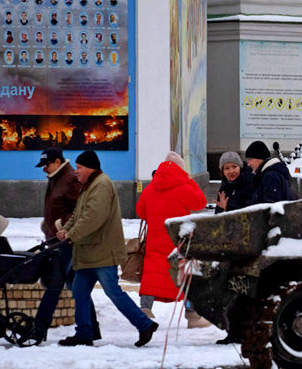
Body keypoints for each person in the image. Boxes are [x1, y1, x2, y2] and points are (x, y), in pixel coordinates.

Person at [56, 150, 157, 347]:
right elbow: (79, 214)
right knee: (80, 291)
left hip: (102, 251)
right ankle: (84, 333)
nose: (76, 172)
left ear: (90, 167)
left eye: (79, 168)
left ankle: (144, 324)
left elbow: (93, 217)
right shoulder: (89, 186)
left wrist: (72, 234)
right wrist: (66, 230)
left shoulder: (101, 185)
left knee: (113, 292)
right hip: (88, 251)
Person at [135, 152, 210, 327]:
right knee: (184, 275)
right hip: (178, 242)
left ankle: (145, 309)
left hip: (155, 242)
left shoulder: (150, 188)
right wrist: (190, 180)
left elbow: (141, 212)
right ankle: (192, 315)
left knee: (152, 276)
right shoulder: (185, 186)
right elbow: (200, 202)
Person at [31, 147, 97, 342]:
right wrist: (48, 226)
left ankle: (39, 328)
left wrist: (61, 225)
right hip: (58, 239)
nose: (44, 169)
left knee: (55, 283)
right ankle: (93, 328)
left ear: (58, 162)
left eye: (47, 164)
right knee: (77, 285)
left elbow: (82, 209)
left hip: (66, 240)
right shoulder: (57, 179)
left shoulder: (69, 180)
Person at [243, 141, 295, 205]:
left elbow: (270, 207)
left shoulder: (271, 177)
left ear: (259, 157)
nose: (249, 164)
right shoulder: (268, 174)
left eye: (250, 159)